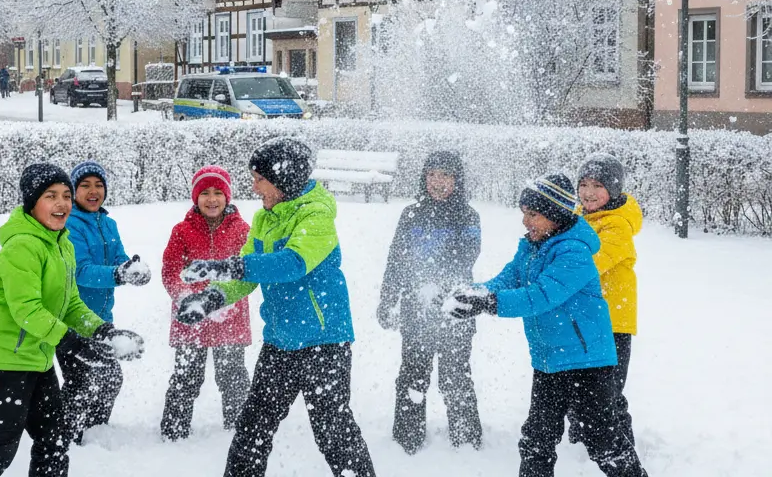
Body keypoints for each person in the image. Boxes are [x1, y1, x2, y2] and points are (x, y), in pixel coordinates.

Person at [175, 138, 376, 477]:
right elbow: (247, 271)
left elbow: (292, 264)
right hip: (280, 342)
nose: (254, 187)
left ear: (282, 180)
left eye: (259, 179)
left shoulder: (317, 215)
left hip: (323, 342)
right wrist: (211, 298)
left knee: (333, 431)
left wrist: (228, 267)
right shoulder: (265, 218)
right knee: (252, 428)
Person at [446, 174, 648, 477]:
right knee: (537, 439)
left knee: (604, 443)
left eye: (533, 214)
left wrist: (490, 304)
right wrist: (474, 293)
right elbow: (508, 278)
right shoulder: (532, 245)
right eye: (524, 213)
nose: (526, 222)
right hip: (549, 360)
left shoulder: (575, 252)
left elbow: (540, 296)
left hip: (586, 363)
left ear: (554, 215)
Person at [0, 163, 144, 477]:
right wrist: (73, 342)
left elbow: (70, 304)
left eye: (66, 196)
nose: (62, 203)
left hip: (38, 361)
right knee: (0, 443)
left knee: (54, 438)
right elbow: (26, 310)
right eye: (50, 196)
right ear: (32, 202)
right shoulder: (22, 247)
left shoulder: (61, 244)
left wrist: (103, 331)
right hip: (5, 360)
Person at [376, 151, 483, 454]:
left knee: (455, 376)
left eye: (446, 176)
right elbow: (395, 260)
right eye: (432, 175)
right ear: (424, 178)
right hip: (415, 312)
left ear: (456, 180)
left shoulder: (468, 216)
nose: (438, 182)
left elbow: (466, 257)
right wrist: (388, 299)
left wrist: (436, 286)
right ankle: (407, 439)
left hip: (455, 312)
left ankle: (466, 440)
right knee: (413, 373)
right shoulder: (411, 214)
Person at [60, 160, 152, 443]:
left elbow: (118, 258)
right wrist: (118, 274)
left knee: (110, 380)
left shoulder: (108, 223)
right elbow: (83, 272)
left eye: (98, 185)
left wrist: (131, 268)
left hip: (102, 320)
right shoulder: (70, 225)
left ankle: (96, 431)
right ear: (74, 191)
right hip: (73, 320)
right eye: (85, 185)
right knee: (80, 383)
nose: (93, 191)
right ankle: (67, 436)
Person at [160, 166, 251, 441]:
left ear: (227, 197)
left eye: (218, 193)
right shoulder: (182, 230)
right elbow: (170, 270)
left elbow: (247, 270)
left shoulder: (242, 230)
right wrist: (186, 298)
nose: (212, 199)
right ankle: (174, 431)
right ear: (195, 197)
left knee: (233, 378)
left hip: (230, 319)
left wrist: (226, 304)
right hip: (191, 320)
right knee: (185, 377)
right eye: (205, 193)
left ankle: (239, 428)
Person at [568, 153, 642, 445]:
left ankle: (621, 443)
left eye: (597, 185)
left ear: (612, 189)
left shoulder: (616, 226)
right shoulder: (577, 219)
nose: (588, 192)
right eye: (583, 184)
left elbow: (590, 264)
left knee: (608, 389)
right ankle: (582, 438)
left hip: (613, 321)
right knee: (578, 381)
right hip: (584, 318)